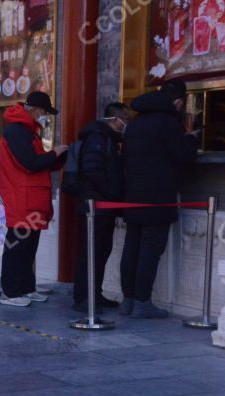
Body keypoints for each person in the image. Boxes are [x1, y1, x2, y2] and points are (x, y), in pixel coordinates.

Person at [120, 78, 199, 319]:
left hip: (132, 195)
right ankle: (143, 302)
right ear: (177, 101)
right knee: (150, 250)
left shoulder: (134, 123)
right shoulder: (168, 123)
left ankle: (129, 300)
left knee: (131, 247)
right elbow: (182, 156)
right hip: (158, 196)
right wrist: (191, 138)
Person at [0, 91, 67, 307]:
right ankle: (10, 292)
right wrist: (54, 153)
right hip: (21, 197)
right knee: (17, 247)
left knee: (29, 247)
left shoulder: (27, 130)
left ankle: (26, 288)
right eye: (45, 112)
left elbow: (38, 164)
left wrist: (57, 158)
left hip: (33, 197)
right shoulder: (16, 130)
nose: (45, 117)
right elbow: (30, 163)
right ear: (37, 110)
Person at [71, 102, 130, 313]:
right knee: (91, 252)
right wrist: (111, 194)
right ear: (115, 120)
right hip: (96, 205)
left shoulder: (107, 138)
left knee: (101, 250)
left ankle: (95, 293)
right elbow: (92, 171)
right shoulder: (98, 138)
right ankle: (84, 297)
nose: (127, 123)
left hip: (102, 205)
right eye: (125, 119)